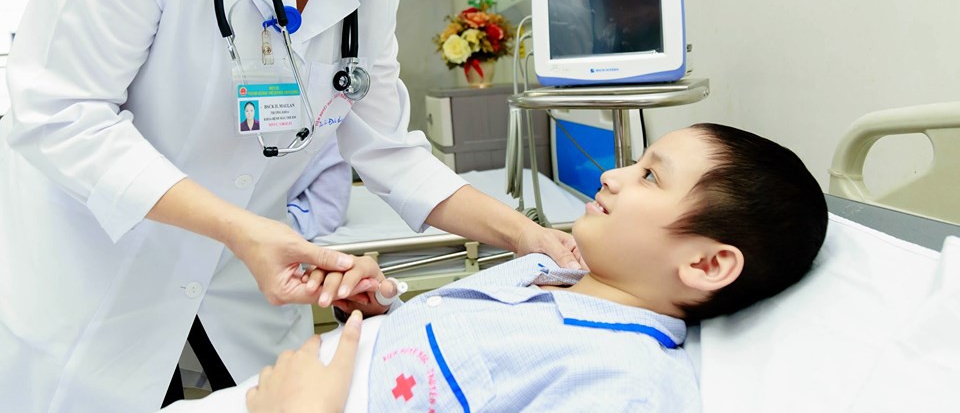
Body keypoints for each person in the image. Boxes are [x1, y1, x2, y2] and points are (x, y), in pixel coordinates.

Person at [0, 0, 579, 413]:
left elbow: (387, 149)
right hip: (95, 281)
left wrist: (523, 234)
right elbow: (59, 115)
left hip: (244, 296)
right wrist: (240, 229)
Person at [169, 123, 829, 412]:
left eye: (651, 176)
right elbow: (454, 375)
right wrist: (381, 318)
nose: (612, 174)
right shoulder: (548, 274)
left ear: (708, 263)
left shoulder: (622, 385)